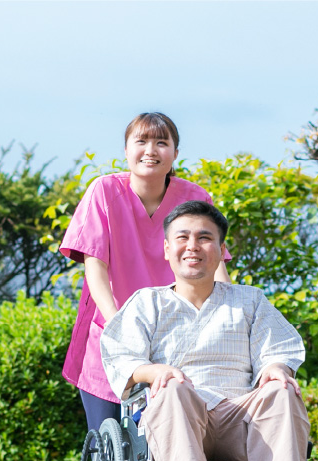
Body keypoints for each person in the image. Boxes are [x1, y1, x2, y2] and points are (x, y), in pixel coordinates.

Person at [100, 200, 315, 461]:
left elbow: (277, 348)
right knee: (172, 388)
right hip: (179, 417)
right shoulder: (147, 302)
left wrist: (278, 367)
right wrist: (155, 371)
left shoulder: (249, 301)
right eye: (182, 238)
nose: (193, 246)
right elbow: (122, 357)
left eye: (204, 238)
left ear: (220, 249)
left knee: (281, 391)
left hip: (239, 419)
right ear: (166, 249)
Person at [58, 112, 230, 438]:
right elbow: (95, 266)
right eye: (141, 141)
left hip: (174, 336)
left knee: (165, 438)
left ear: (175, 153)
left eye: (161, 142)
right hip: (110, 331)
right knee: (106, 440)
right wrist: (120, 327)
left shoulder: (195, 199)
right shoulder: (104, 192)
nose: (151, 150)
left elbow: (214, 264)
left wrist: (226, 318)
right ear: (126, 150)